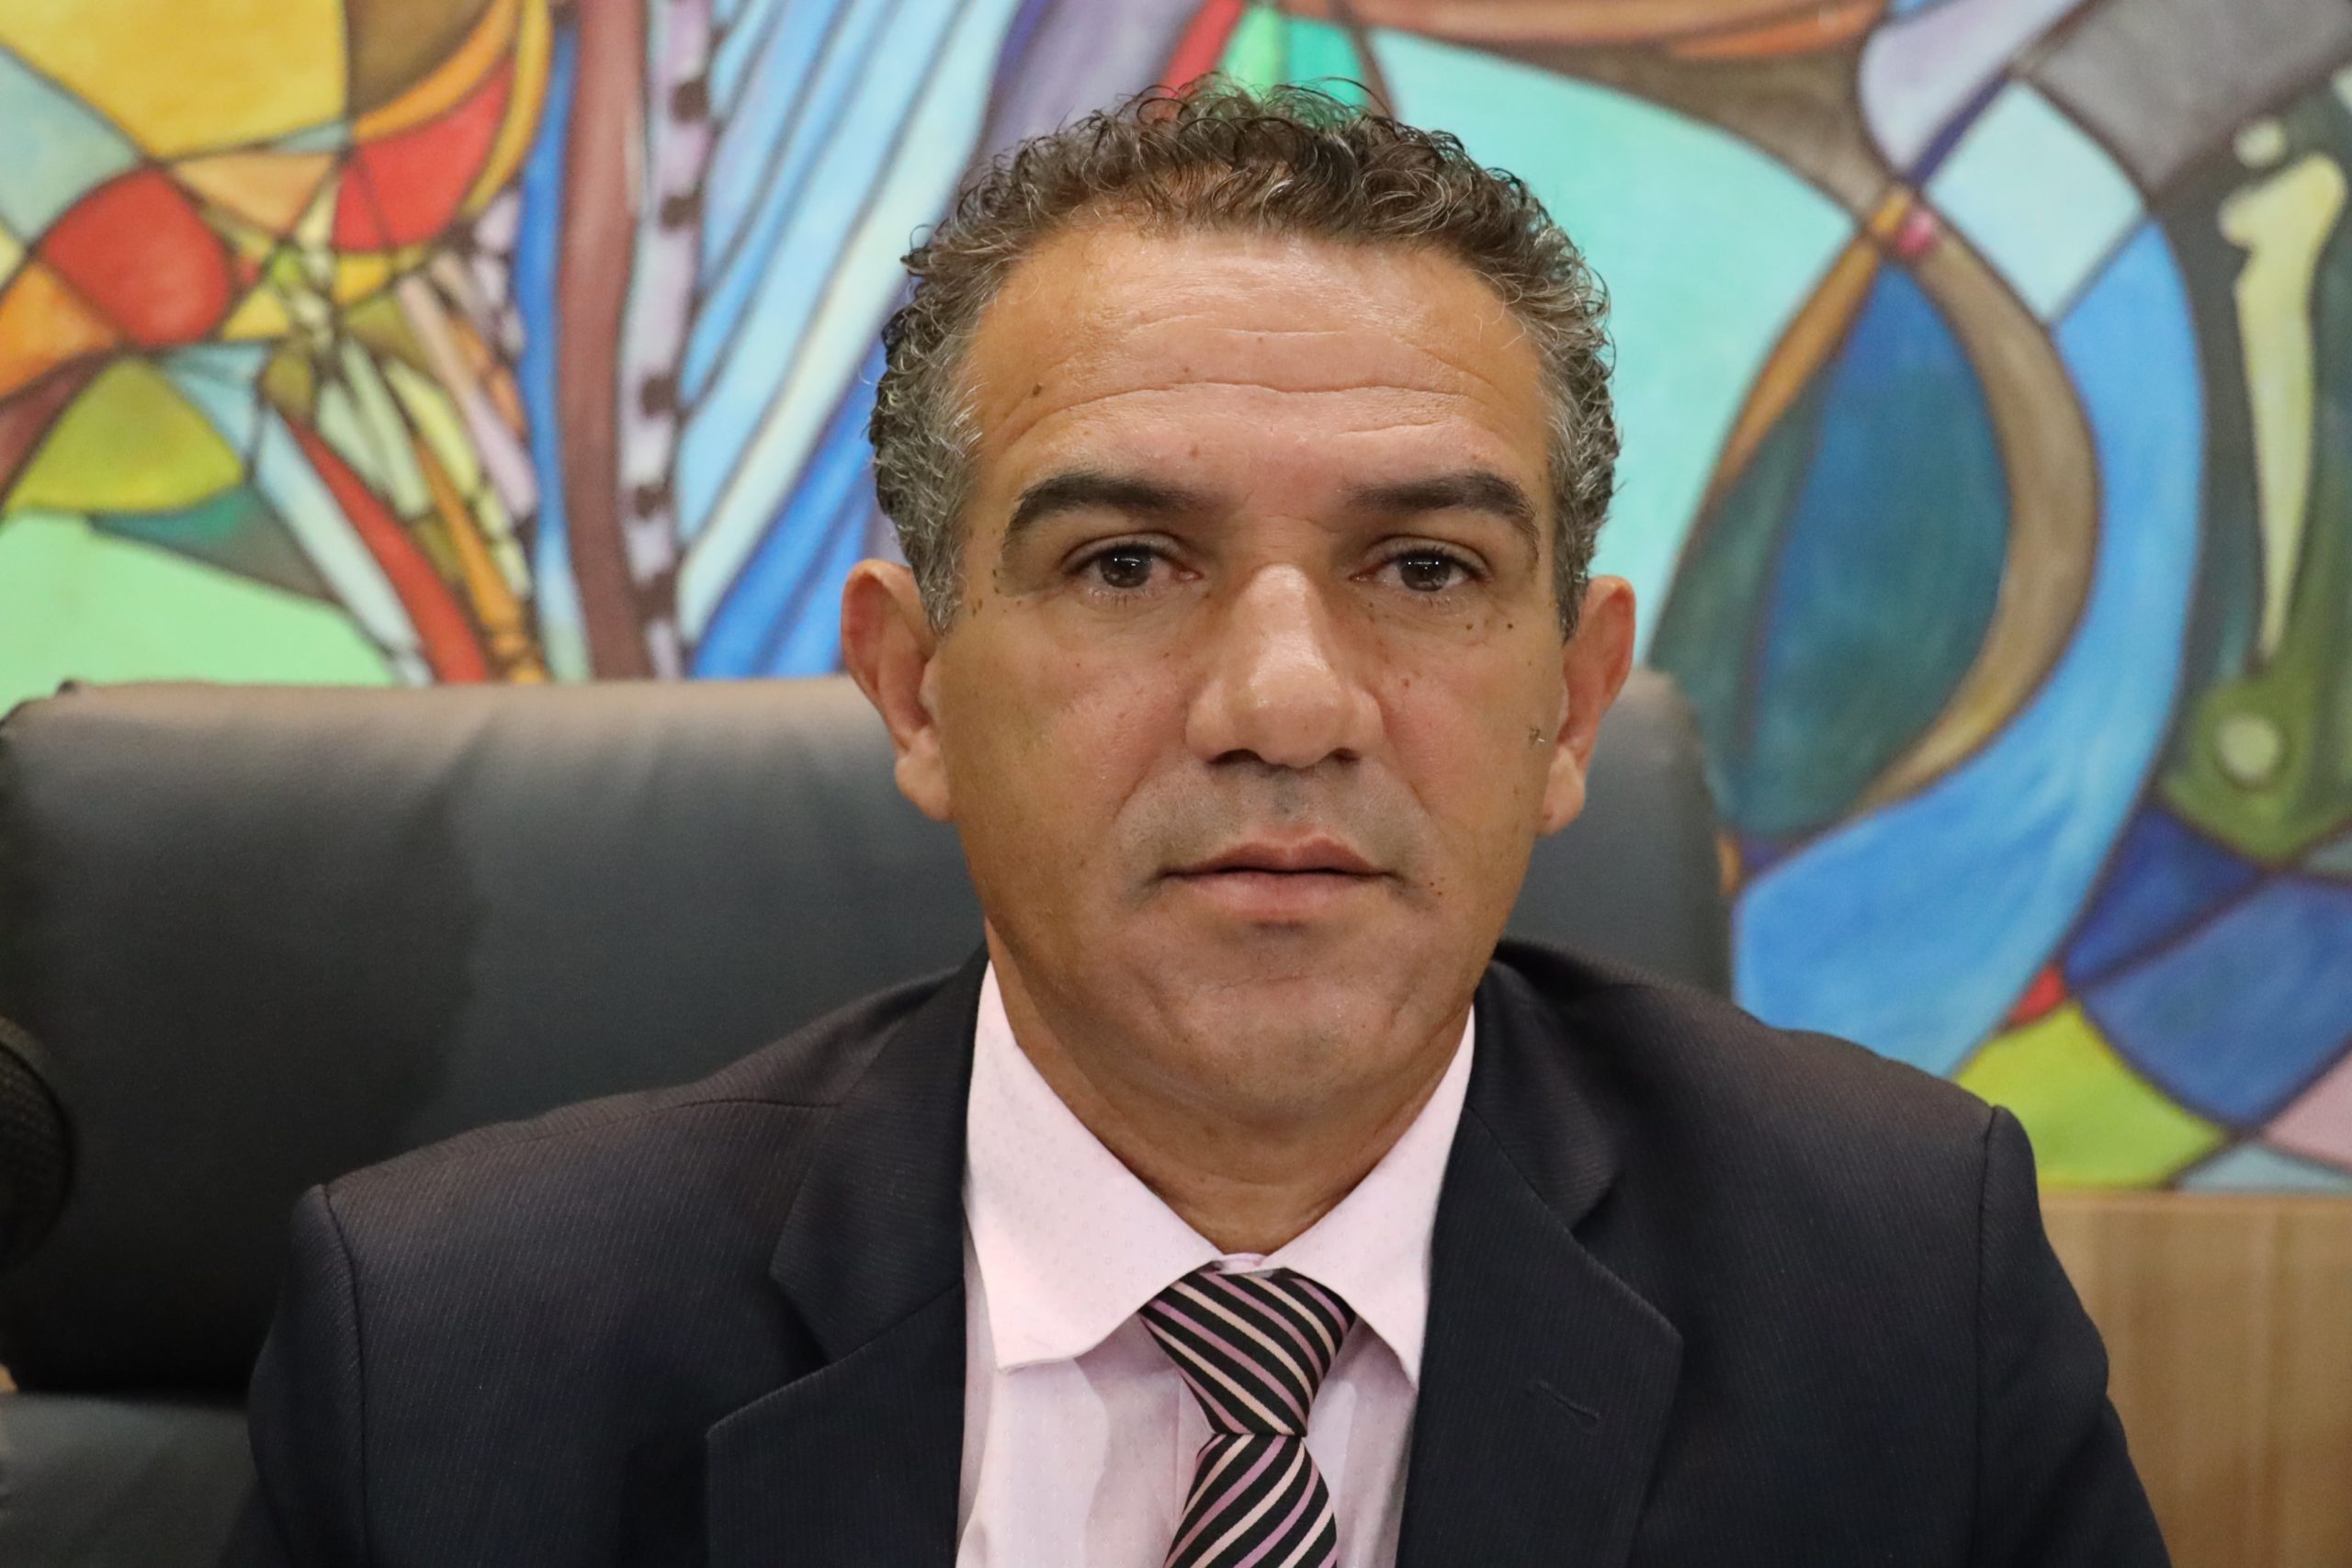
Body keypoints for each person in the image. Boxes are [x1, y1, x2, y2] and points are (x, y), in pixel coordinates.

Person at [227, 83, 2170, 1568]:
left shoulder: (1899, 1291)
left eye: (1422, 566)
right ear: (917, 689)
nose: (1286, 703)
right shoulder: (457, 1352)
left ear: (1571, 706)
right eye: (1129, 562)